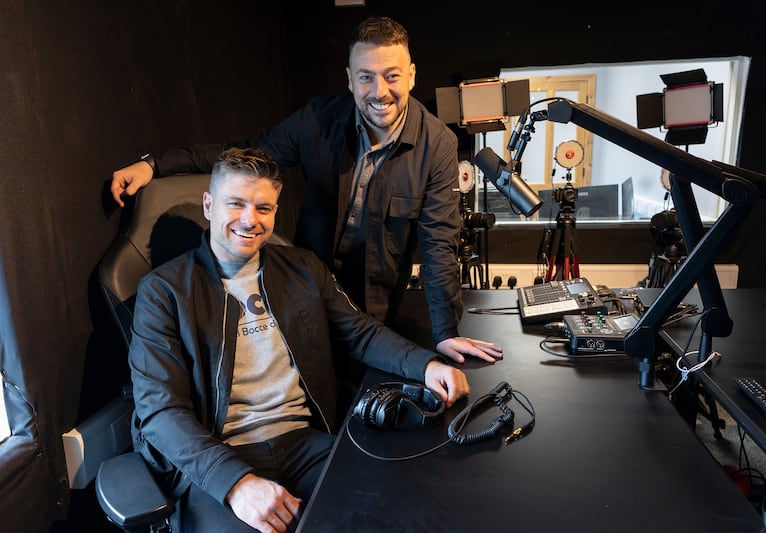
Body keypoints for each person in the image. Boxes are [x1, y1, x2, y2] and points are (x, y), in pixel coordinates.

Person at [111, 16, 502, 367]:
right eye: (365, 76)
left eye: (392, 75)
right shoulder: (317, 119)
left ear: (412, 75)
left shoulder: (439, 145)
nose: (379, 91)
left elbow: (438, 246)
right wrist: (155, 165)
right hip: (305, 290)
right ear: (349, 78)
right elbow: (246, 153)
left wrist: (446, 332)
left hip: (374, 305)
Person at [129, 147, 470, 532]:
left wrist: (424, 364)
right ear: (208, 205)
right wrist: (236, 484)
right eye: (236, 203)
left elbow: (359, 332)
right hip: (217, 456)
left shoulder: (303, 268)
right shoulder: (162, 291)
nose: (249, 219)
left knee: (392, 512)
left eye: (263, 208)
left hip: (305, 443)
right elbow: (160, 411)